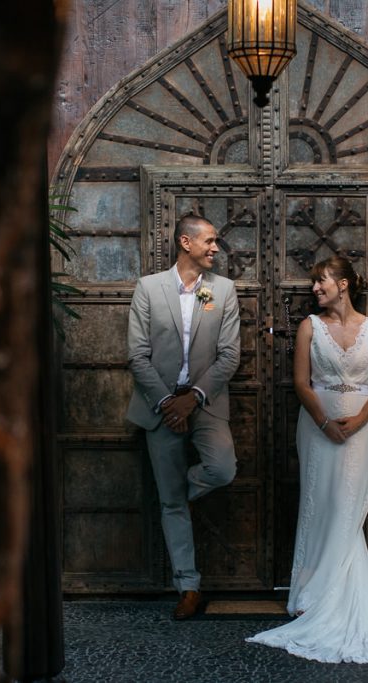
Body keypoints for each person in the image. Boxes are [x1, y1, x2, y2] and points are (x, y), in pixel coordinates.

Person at [247, 256, 368, 662]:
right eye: (313, 284)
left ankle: (330, 591)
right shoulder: (308, 327)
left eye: (320, 282)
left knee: (348, 506)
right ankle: (310, 593)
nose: (314, 290)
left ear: (343, 284)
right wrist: (324, 422)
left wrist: (357, 420)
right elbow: (301, 383)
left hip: (361, 426)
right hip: (318, 427)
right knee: (318, 503)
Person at [125, 215, 241, 620]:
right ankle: (188, 588)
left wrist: (191, 399)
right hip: (159, 407)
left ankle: (178, 496)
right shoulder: (149, 288)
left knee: (221, 469)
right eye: (209, 241)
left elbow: (230, 356)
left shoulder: (222, 291)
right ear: (185, 242)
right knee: (172, 504)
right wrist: (166, 404)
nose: (215, 248)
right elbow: (137, 356)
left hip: (204, 403)